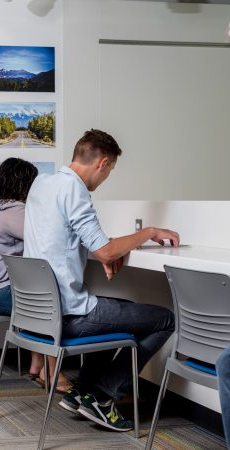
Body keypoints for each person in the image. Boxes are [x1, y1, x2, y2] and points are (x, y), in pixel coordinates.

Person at [24, 129, 178, 432]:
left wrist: (109, 250)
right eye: (110, 171)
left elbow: (64, 236)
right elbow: (105, 251)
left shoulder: (42, 183)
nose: (106, 178)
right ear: (103, 163)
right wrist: (147, 233)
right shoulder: (76, 190)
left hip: (39, 314)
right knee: (164, 319)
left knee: (120, 309)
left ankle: (83, 391)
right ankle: (105, 396)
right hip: (69, 315)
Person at [0, 158, 70, 393]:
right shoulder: (13, 211)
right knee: (46, 303)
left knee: (34, 292)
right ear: (24, 184)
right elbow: (46, 238)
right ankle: (50, 371)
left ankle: (36, 364)